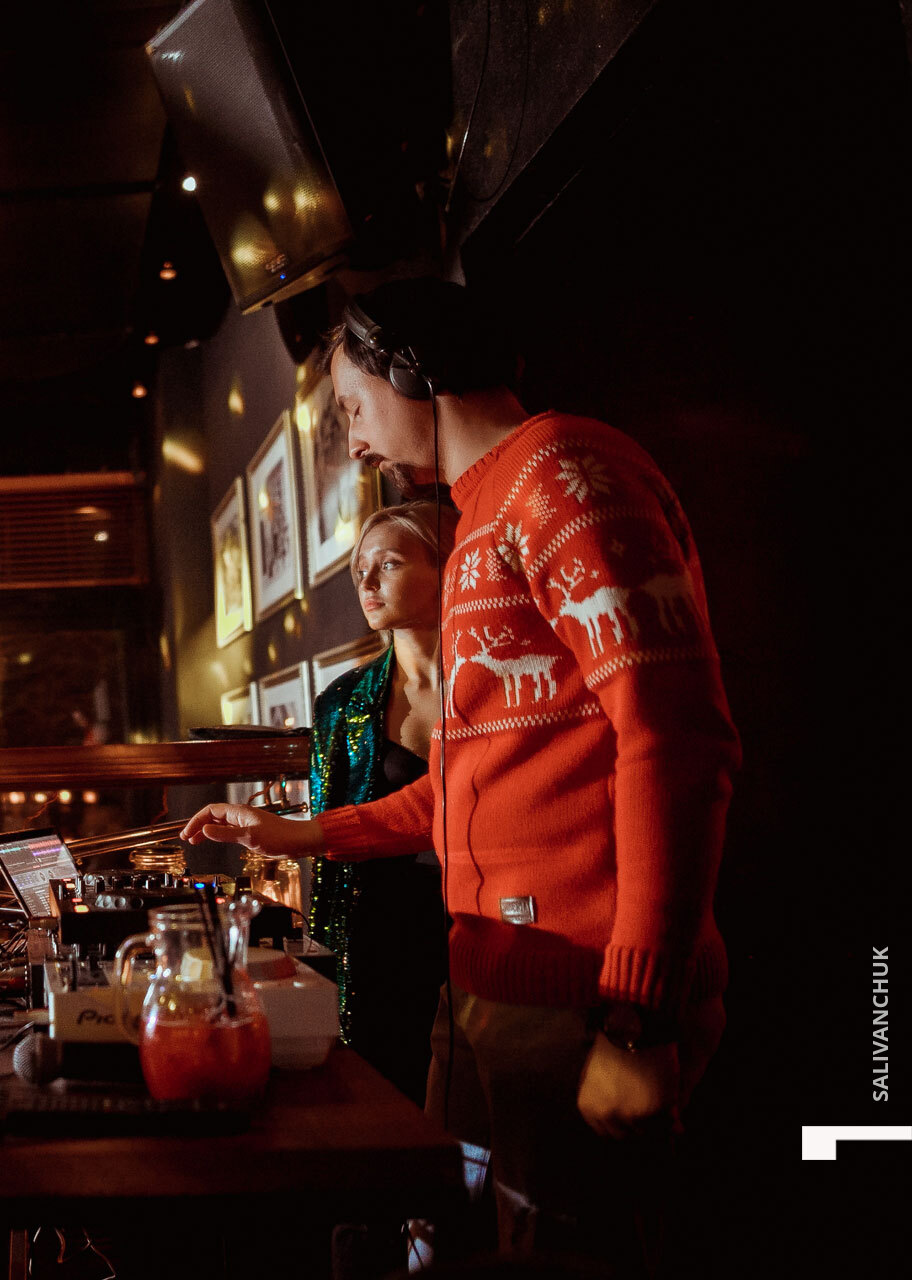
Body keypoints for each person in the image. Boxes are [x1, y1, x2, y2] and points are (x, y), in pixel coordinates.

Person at [183, 279, 738, 1271]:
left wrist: (639, 1014)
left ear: (413, 368)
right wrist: (297, 834)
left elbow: (673, 735)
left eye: (353, 407)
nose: (355, 441)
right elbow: (461, 788)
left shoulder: (561, 471)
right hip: (495, 986)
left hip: (584, 998)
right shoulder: (481, 512)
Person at [309, 500, 454, 1102]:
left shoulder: (496, 678)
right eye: (359, 569)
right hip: (384, 929)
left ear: (447, 566)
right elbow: (328, 840)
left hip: (489, 914)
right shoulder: (344, 701)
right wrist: (327, 969)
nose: (366, 582)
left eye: (389, 564)